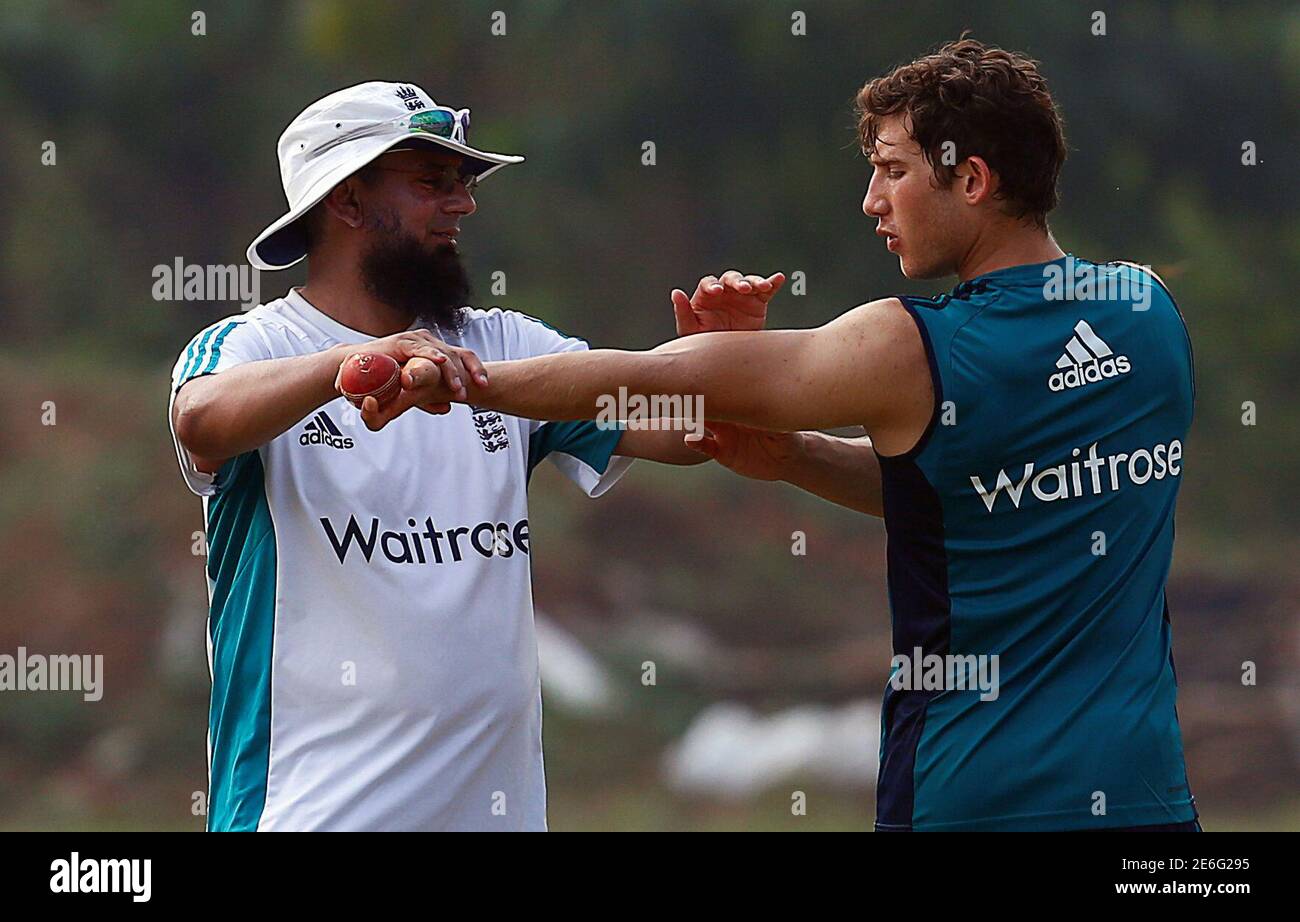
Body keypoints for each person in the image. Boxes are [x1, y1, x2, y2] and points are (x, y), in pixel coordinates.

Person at [387, 40, 1201, 831]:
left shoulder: (912, 347)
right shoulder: (1147, 310)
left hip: (973, 794)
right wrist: (796, 455)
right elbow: (987, 493)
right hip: (1149, 799)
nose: (872, 201)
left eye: (893, 171)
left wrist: (470, 378)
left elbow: (663, 375)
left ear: (974, 179)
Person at [167, 81, 749, 831]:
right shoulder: (255, 347)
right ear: (346, 201)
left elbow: (685, 430)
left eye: (464, 183)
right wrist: (347, 364)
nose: (463, 205)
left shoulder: (506, 346)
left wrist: (730, 358)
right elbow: (200, 421)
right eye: (432, 183)